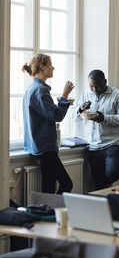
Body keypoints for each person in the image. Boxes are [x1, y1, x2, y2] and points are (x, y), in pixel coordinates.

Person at [22, 53, 74, 194]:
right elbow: (57, 116)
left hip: (37, 146)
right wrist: (65, 96)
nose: (53, 67)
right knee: (64, 185)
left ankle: (50, 214)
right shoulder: (40, 90)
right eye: (50, 64)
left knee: (50, 188)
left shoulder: (31, 89)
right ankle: (52, 215)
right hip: (45, 148)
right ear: (41, 67)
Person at [75, 69, 119, 190]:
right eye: (91, 87)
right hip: (93, 146)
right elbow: (75, 118)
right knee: (99, 184)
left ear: (105, 82)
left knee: (113, 173)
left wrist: (103, 118)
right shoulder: (86, 96)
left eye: (98, 86)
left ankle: (110, 190)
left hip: (113, 143)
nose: (95, 90)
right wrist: (80, 109)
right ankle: (106, 204)